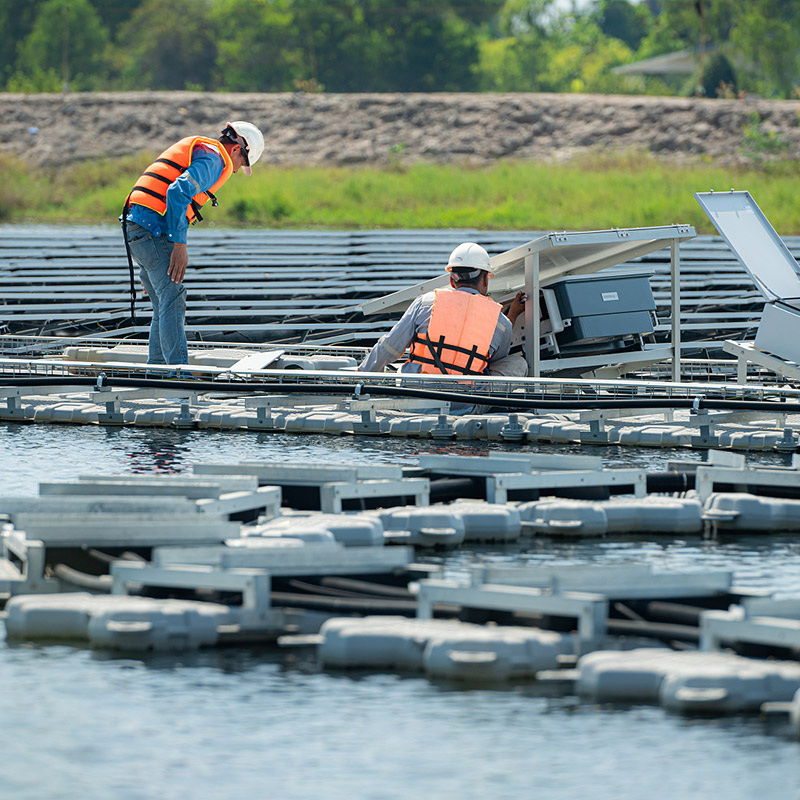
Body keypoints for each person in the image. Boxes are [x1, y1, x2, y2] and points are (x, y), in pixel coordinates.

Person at [121, 121, 265, 366]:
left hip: (137, 225)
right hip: (151, 228)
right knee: (173, 297)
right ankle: (178, 371)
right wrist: (180, 246)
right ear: (237, 149)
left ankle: (156, 369)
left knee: (163, 300)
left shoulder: (204, 152)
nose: (238, 170)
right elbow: (177, 192)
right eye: (243, 163)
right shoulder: (214, 159)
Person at [358, 242, 528, 382]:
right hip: (464, 403)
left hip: (416, 394)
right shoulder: (501, 323)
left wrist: (361, 376)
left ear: (451, 281)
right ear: (485, 280)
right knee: (518, 363)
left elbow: (389, 347)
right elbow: (494, 363)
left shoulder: (425, 303)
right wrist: (511, 316)